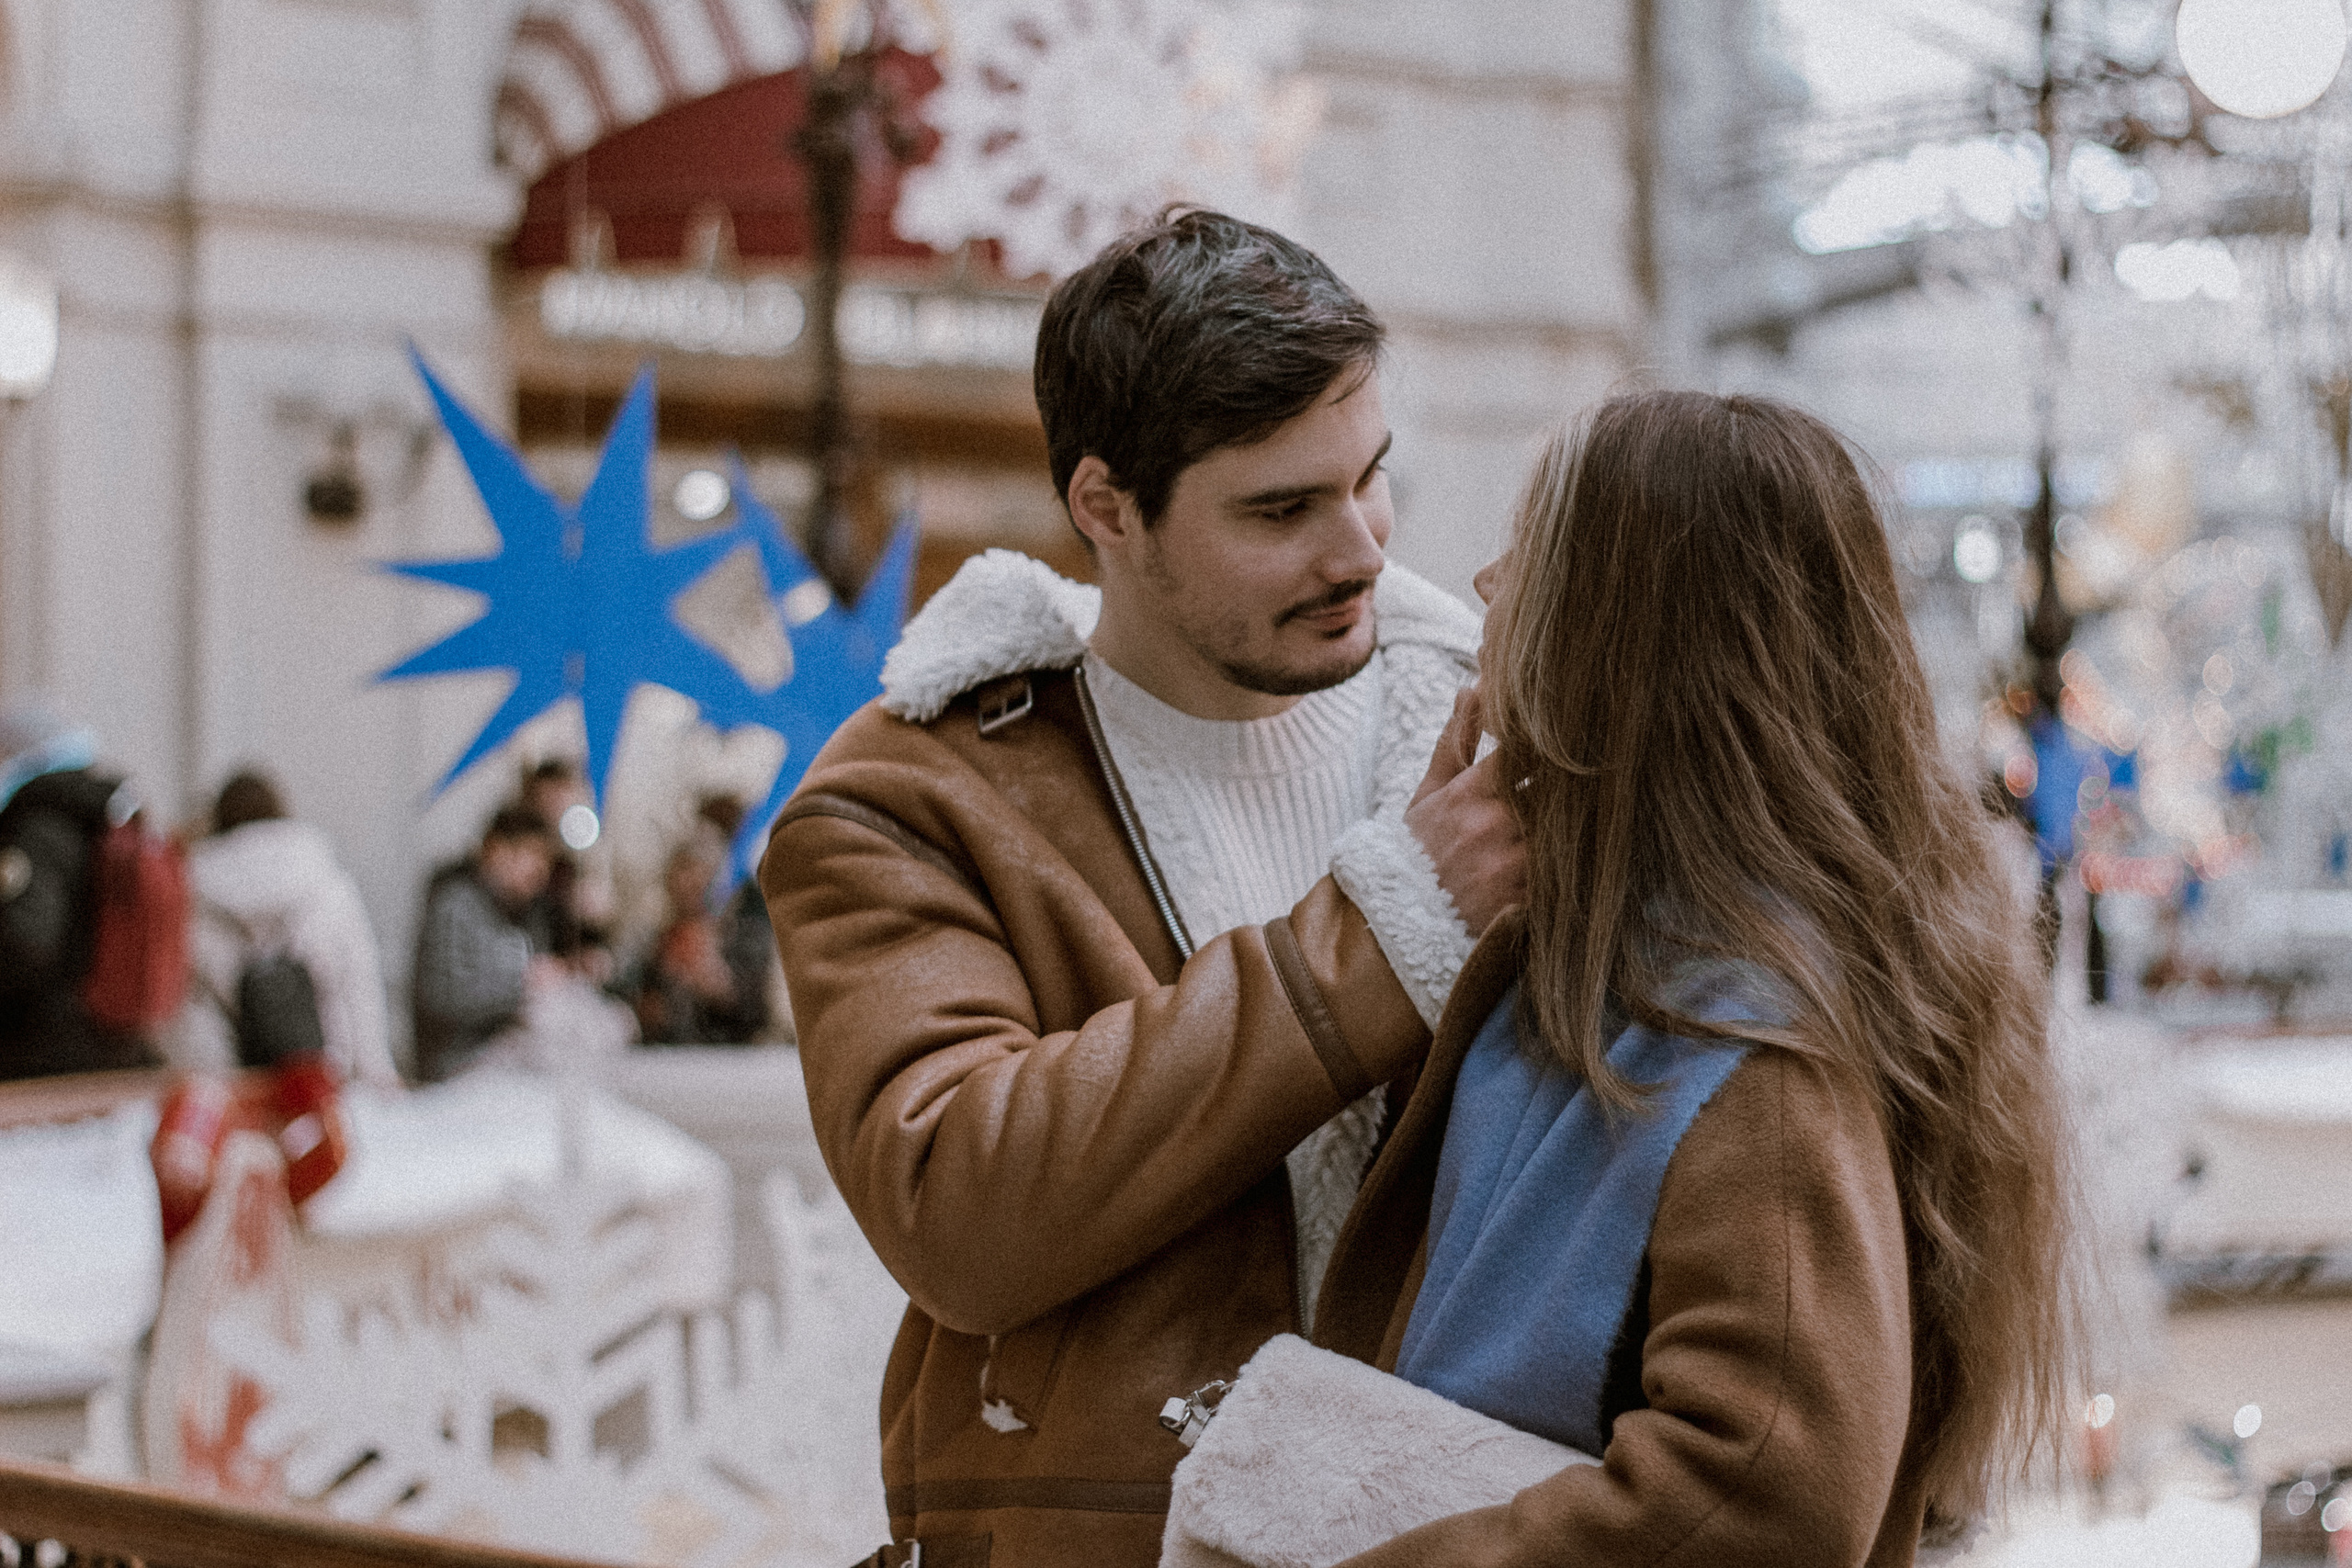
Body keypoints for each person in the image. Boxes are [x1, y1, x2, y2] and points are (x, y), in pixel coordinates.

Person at [763, 207, 1524, 1567]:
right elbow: (959, 1206)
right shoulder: (913, 800)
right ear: (1105, 507)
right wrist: (1386, 932)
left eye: (1371, 477)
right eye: (1281, 509)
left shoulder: (1496, 744)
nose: (1358, 548)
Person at [1312, 392, 2073, 1566]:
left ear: (1623, 628)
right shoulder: (1619, 971)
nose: (1483, 582)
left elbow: (1765, 1487)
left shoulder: (1743, 1040)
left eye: (1533, 551)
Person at [165, 770, 400, 1089]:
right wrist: (377, 1072)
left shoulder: (194, 897)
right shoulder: (328, 885)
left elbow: (194, 1010)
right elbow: (358, 983)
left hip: (242, 1086)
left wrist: (213, 1083)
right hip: (326, 1080)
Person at [0, 698, 165, 1079]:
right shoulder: (103, 821)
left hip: (41, 1048)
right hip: (112, 1036)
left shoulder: (35, 831)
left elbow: (25, 944)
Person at [410, 806, 562, 1082]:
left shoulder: (526, 913)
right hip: (456, 1066)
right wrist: (521, 986)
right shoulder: (455, 906)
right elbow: (440, 996)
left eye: (546, 858)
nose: (541, 869)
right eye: (531, 854)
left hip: (506, 1055)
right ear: (497, 850)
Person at [621, 820, 771, 1044]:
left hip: (731, 1065)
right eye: (684, 870)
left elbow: (765, 1015)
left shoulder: (749, 939)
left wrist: (721, 989)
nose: (694, 882)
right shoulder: (648, 942)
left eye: (704, 871)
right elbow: (622, 999)